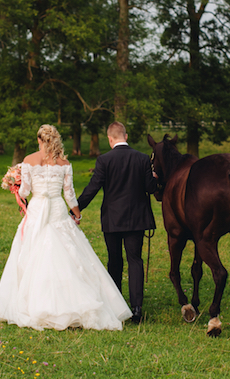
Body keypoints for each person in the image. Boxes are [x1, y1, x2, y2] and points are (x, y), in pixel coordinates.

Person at [0, 125, 131, 331]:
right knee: (70, 253)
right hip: (57, 209)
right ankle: (74, 302)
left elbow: (26, 190)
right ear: (55, 140)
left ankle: (35, 303)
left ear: (40, 140)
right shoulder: (65, 163)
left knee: (33, 253)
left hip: (38, 208)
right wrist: (77, 213)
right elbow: (69, 195)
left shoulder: (29, 161)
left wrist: (16, 187)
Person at [77, 122, 158, 324]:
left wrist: (76, 208)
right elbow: (150, 188)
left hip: (112, 219)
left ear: (110, 138)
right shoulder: (142, 158)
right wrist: (154, 177)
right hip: (136, 219)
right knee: (135, 260)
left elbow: (93, 187)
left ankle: (116, 305)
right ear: (126, 136)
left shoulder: (104, 160)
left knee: (115, 260)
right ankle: (137, 308)